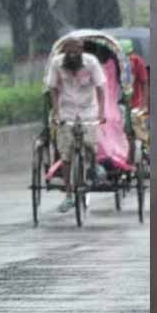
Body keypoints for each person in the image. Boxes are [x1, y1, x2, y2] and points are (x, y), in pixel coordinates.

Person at [46, 38, 107, 213]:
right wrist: (56, 112)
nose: (72, 56)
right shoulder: (57, 63)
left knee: (90, 145)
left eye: (75, 53)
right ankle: (68, 195)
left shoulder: (91, 63)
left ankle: (94, 166)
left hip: (88, 109)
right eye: (69, 53)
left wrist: (101, 112)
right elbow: (52, 88)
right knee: (66, 154)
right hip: (66, 110)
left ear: (81, 52)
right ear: (64, 52)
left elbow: (100, 88)